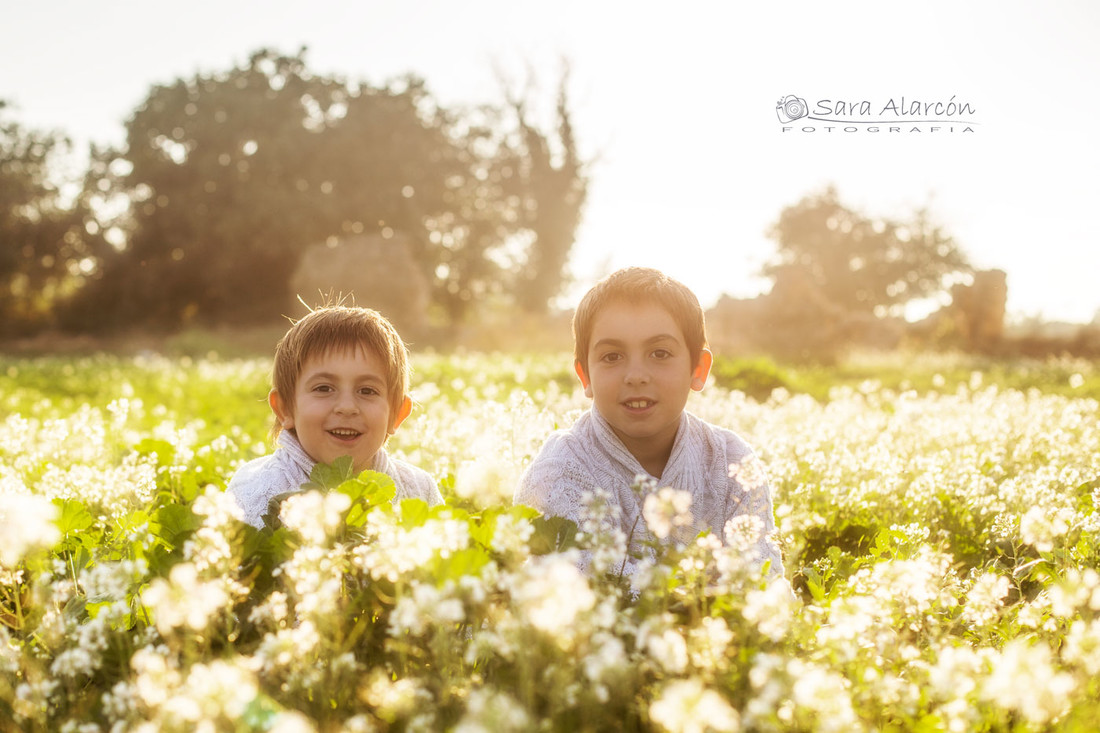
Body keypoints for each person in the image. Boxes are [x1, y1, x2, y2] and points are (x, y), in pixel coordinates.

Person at [514, 267, 783, 576]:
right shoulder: (560, 470)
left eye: (659, 353)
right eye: (612, 357)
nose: (636, 376)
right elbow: (595, 591)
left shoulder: (732, 461)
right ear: (584, 376)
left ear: (698, 368)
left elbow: (763, 580)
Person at [228, 304, 443, 528]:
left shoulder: (420, 491)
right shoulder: (254, 494)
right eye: (323, 388)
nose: (347, 407)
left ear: (397, 414)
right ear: (285, 409)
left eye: (367, 391)